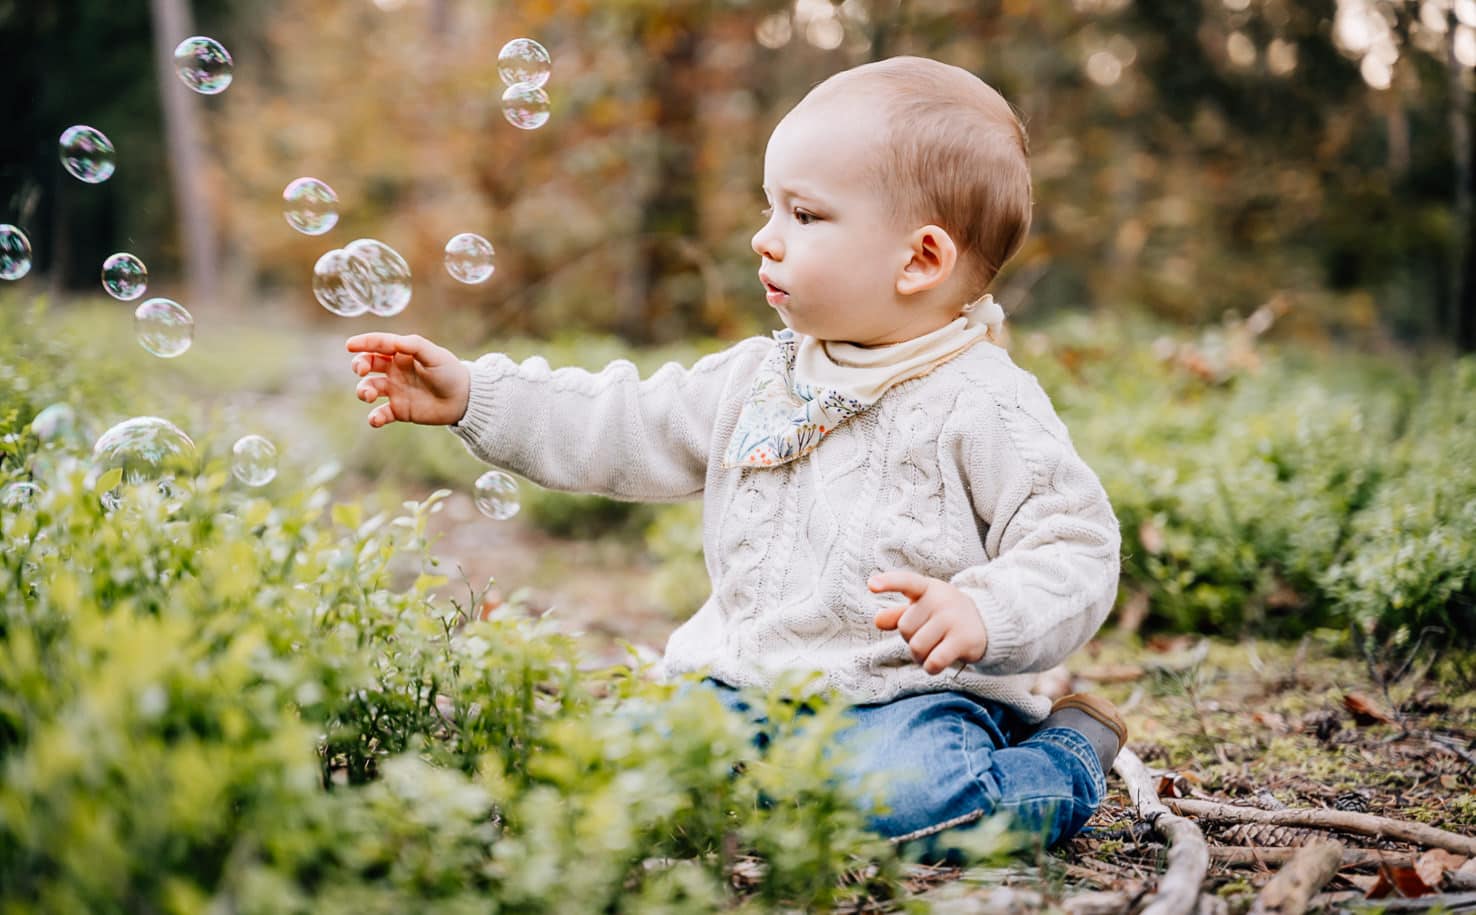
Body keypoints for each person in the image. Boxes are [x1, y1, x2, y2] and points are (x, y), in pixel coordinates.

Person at [345, 55, 1125, 854]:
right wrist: (476, 394)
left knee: (915, 801)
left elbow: (1076, 543)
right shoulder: (758, 376)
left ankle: (1069, 752)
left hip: (906, 701)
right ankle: (769, 788)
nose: (765, 237)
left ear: (920, 259)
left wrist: (984, 611)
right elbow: (621, 422)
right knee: (619, 777)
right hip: (736, 685)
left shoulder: (982, 399)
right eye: (769, 208)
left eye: (805, 216)